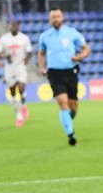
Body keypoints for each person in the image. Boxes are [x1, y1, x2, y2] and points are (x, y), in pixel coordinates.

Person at [37, 8, 90, 146]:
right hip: (55, 73)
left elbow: (86, 49)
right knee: (62, 102)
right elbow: (41, 53)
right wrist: (42, 67)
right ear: (50, 19)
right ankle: (71, 135)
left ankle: (67, 122)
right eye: (53, 17)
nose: (56, 19)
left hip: (71, 72)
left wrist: (79, 57)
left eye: (58, 16)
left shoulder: (72, 33)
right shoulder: (45, 36)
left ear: (62, 17)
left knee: (73, 107)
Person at [0, 21, 33, 126]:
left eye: (15, 26)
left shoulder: (24, 38)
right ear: (9, 27)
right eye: (12, 26)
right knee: (12, 92)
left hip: (20, 66)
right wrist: (3, 56)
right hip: (9, 68)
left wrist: (26, 59)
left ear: (18, 27)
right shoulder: (4, 39)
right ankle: (18, 116)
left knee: (21, 88)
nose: (13, 28)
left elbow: (29, 51)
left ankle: (23, 104)